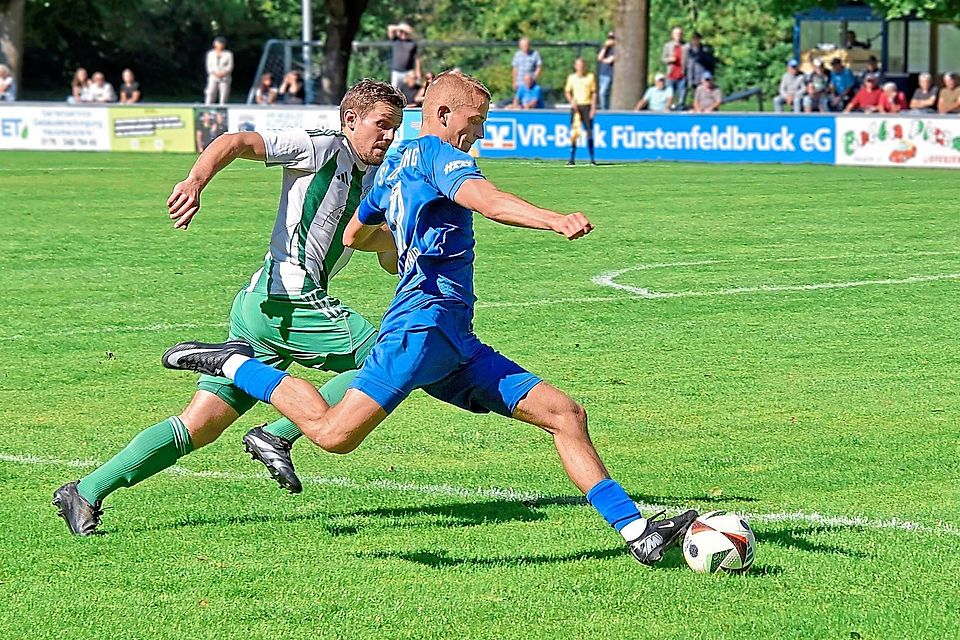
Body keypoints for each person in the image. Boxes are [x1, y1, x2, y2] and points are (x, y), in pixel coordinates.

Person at [160, 70, 699, 567]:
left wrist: (407, 244)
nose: (478, 135)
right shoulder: (441, 157)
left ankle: (637, 533)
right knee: (332, 435)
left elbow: (353, 233)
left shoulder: (394, 165)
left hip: (454, 339)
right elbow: (486, 201)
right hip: (418, 330)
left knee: (565, 414)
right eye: (476, 123)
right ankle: (235, 365)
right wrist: (554, 219)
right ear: (444, 115)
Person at [51, 80, 407, 536]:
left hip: (258, 306)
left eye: (394, 128)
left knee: (198, 426)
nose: (388, 137)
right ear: (351, 119)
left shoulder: (376, 176)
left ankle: (85, 490)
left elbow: (374, 248)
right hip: (288, 297)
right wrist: (196, 180)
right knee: (391, 357)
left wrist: (404, 243)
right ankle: (276, 434)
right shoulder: (320, 146)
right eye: (382, 125)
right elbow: (236, 141)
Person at [564, 58, 596, 166]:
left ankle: (592, 158)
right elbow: (567, 92)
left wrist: (593, 108)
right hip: (576, 107)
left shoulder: (590, 77)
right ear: (575, 66)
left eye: (582, 65)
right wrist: (572, 101)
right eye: (578, 65)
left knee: (589, 132)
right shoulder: (572, 78)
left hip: (586, 106)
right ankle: (571, 158)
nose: (580, 67)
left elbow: (593, 93)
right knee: (574, 133)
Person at [388, 22, 421, 88]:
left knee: (410, 90)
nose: (403, 34)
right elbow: (390, 28)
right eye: (402, 32)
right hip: (396, 72)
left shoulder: (412, 43)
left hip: (408, 72)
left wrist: (418, 71)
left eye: (405, 33)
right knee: (394, 90)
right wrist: (401, 28)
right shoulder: (395, 40)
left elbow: (417, 58)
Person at [661, 27, 687, 109]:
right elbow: (663, 59)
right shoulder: (668, 46)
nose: (678, 36)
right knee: (670, 96)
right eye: (676, 34)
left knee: (681, 97)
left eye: (679, 34)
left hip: (682, 75)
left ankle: (680, 111)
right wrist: (670, 60)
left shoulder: (686, 46)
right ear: (672, 35)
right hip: (671, 75)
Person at [684, 32, 715, 100]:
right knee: (695, 95)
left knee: (704, 95)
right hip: (692, 76)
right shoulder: (688, 50)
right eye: (694, 39)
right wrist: (688, 77)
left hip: (703, 76)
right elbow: (687, 64)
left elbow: (710, 63)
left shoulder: (705, 49)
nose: (695, 41)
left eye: (697, 39)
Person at [204, 36, 233, 105]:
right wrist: (215, 73)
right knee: (210, 93)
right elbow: (209, 66)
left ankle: (221, 111)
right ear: (215, 44)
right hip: (213, 77)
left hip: (224, 78)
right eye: (218, 43)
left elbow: (230, 66)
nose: (220, 45)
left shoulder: (228, 54)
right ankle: (207, 110)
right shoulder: (210, 54)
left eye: (221, 44)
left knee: (224, 95)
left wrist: (223, 73)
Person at [596, 32, 615, 110]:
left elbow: (610, 60)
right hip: (602, 73)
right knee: (602, 93)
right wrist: (605, 47)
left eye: (612, 38)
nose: (610, 40)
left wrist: (603, 60)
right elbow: (599, 57)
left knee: (603, 93)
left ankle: (605, 109)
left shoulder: (616, 49)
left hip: (609, 74)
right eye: (609, 38)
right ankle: (604, 106)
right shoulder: (606, 49)